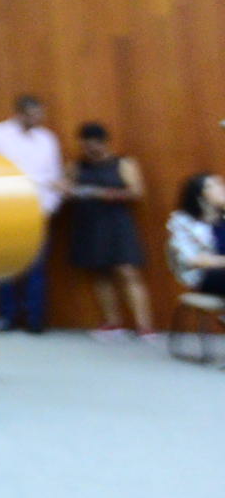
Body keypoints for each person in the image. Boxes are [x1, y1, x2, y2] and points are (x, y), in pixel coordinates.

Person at [0, 94, 65, 333]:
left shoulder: (47, 138)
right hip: (6, 208)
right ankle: (6, 316)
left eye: (40, 115)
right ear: (19, 113)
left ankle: (34, 318)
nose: (38, 119)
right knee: (5, 263)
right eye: (33, 115)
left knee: (36, 266)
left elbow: (55, 176)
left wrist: (51, 205)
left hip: (39, 209)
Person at [65, 121, 152, 338]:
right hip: (89, 223)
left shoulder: (123, 162)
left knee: (128, 271)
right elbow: (67, 189)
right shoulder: (76, 166)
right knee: (100, 272)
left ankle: (144, 326)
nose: (90, 150)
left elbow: (136, 192)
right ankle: (113, 323)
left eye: (94, 145)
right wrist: (67, 190)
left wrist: (103, 194)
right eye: (85, 145)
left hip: (117, 222)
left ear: (104, 143)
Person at [166, 173, 225, 306]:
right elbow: (192, 260)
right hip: (206, 275)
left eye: (221, 184)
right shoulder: (182, 222)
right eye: (213, 186)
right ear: (199, 196)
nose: (222, 188)